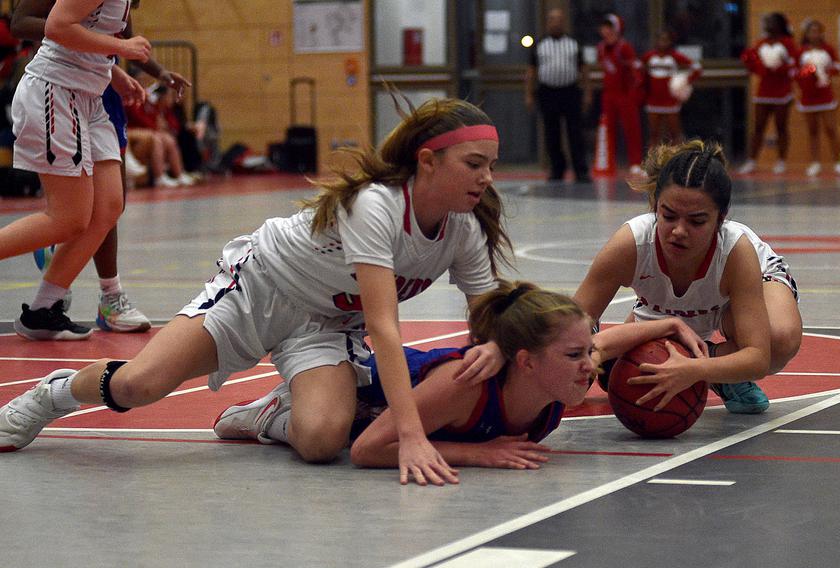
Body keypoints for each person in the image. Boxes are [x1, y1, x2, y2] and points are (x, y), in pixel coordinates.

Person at [0, 96, 513, 486]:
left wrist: (492, 341)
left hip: (328, 322)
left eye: (491, 165)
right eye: (474, 164)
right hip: (260, 286)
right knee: (140, 386)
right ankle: (54, 394)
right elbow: (384, 326)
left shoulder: (463, 229)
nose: (486, 178)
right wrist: (412, 436)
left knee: (320, 442)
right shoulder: (377, 205)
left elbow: (486, 315)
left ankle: (265, 414)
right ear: (427, 161)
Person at [214, 280, 706, 484]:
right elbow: (366, 450)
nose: (590, 367)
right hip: (355, 395)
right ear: (526, 362)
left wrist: (666, 325)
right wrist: (478, 454)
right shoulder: (464, 384)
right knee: (326, 441)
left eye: (587, 353)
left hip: (397, 415)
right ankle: (271, 412)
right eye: (576, 355)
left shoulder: (553, 380)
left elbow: (608, 344)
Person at [574, 140, 802, 414]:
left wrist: (696, 369)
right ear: (654, 205)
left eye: (696, 221)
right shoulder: (631, 243)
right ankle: (653, 333)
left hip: (745, 286)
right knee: (615, 375)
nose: (679, 231)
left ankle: (719, 376)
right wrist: (584, 351)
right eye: (668, 216)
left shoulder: (737, 251)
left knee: (778, 339)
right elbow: (568, 323)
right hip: (674, 299)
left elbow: (758, 358)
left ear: (720, 219)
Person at [11, 0, 192, 334]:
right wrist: (121, 47)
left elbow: (91, 29)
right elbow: (56, 27)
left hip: (90, 97)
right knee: (68, 219)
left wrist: (112, 70)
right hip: (57, 92)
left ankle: (42, 309)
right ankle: (102, 295)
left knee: (108, 207)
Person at [525, 8, 591, 183]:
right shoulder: (540, 44)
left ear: (563, 22)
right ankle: (557, 169)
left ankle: (581, 170)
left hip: (570, 91)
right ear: (548, 22)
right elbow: (531, 71)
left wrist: (587, 93)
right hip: (548, 92)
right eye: (552, 19)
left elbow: (583, 69)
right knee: (551, 133)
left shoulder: (574, 43)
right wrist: (529, 94)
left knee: (575, 132)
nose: (556, 23)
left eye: (559, 19)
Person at [738, 12, 798, 175]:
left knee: (781, 127)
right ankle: (751, 161)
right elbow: (752, 62)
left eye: (772, 22)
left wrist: (779, 67)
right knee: (758, 126)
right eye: (767, 22)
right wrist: (754, 66)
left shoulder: (788, 43)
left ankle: (781, 161)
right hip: (764, 91)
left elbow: (794, 65)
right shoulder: (760, 43)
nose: (769, 25)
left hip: (782, 91)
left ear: (780, 24)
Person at [795, 19, 840, 177]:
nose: (814, 34)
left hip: (825, 95)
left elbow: (838, 67)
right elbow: (795, 73)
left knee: (831, 129)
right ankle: (815, 163)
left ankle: (839, 162)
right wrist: (808, 73)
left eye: (817, 31)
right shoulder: (801, 52)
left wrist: (827, 73)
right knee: (813, 130)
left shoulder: (828, 49)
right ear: (807, 34)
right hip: (808, 96)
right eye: (811, 31)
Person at [597, 13, 644, 176]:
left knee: (632, 128)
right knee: (608, 129)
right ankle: (609, 162)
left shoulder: (624, 47)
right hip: (609, 95)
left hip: (625, 94)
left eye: (610, 27)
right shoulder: (601, 48)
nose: (606, 31)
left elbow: (635, 69)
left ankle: (636, 162)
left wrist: (635, 91)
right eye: (604, 28)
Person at [641, 30, 701, 147]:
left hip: (670, 100)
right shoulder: (648, 56)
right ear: (656, 41)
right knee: (654, 134)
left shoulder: (675, 56)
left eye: (666, 40)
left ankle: (678, 161)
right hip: (653, 100)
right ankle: (653, 162)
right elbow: (639, 72)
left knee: (675, 133)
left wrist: (685, 81)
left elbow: (697, 68)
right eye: (660, 39)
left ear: (670, 42)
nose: (663, 43)